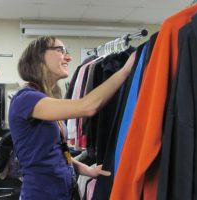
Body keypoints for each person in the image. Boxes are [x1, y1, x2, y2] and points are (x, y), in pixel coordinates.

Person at [8, 36, 136, 200]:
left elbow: (58, 151)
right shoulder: (25, 98)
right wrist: (125, 71)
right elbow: (87, 107)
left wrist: (87, 170)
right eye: (60, 50)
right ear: (38, 56)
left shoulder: (44, 98)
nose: (68, 57)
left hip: (63, 192)